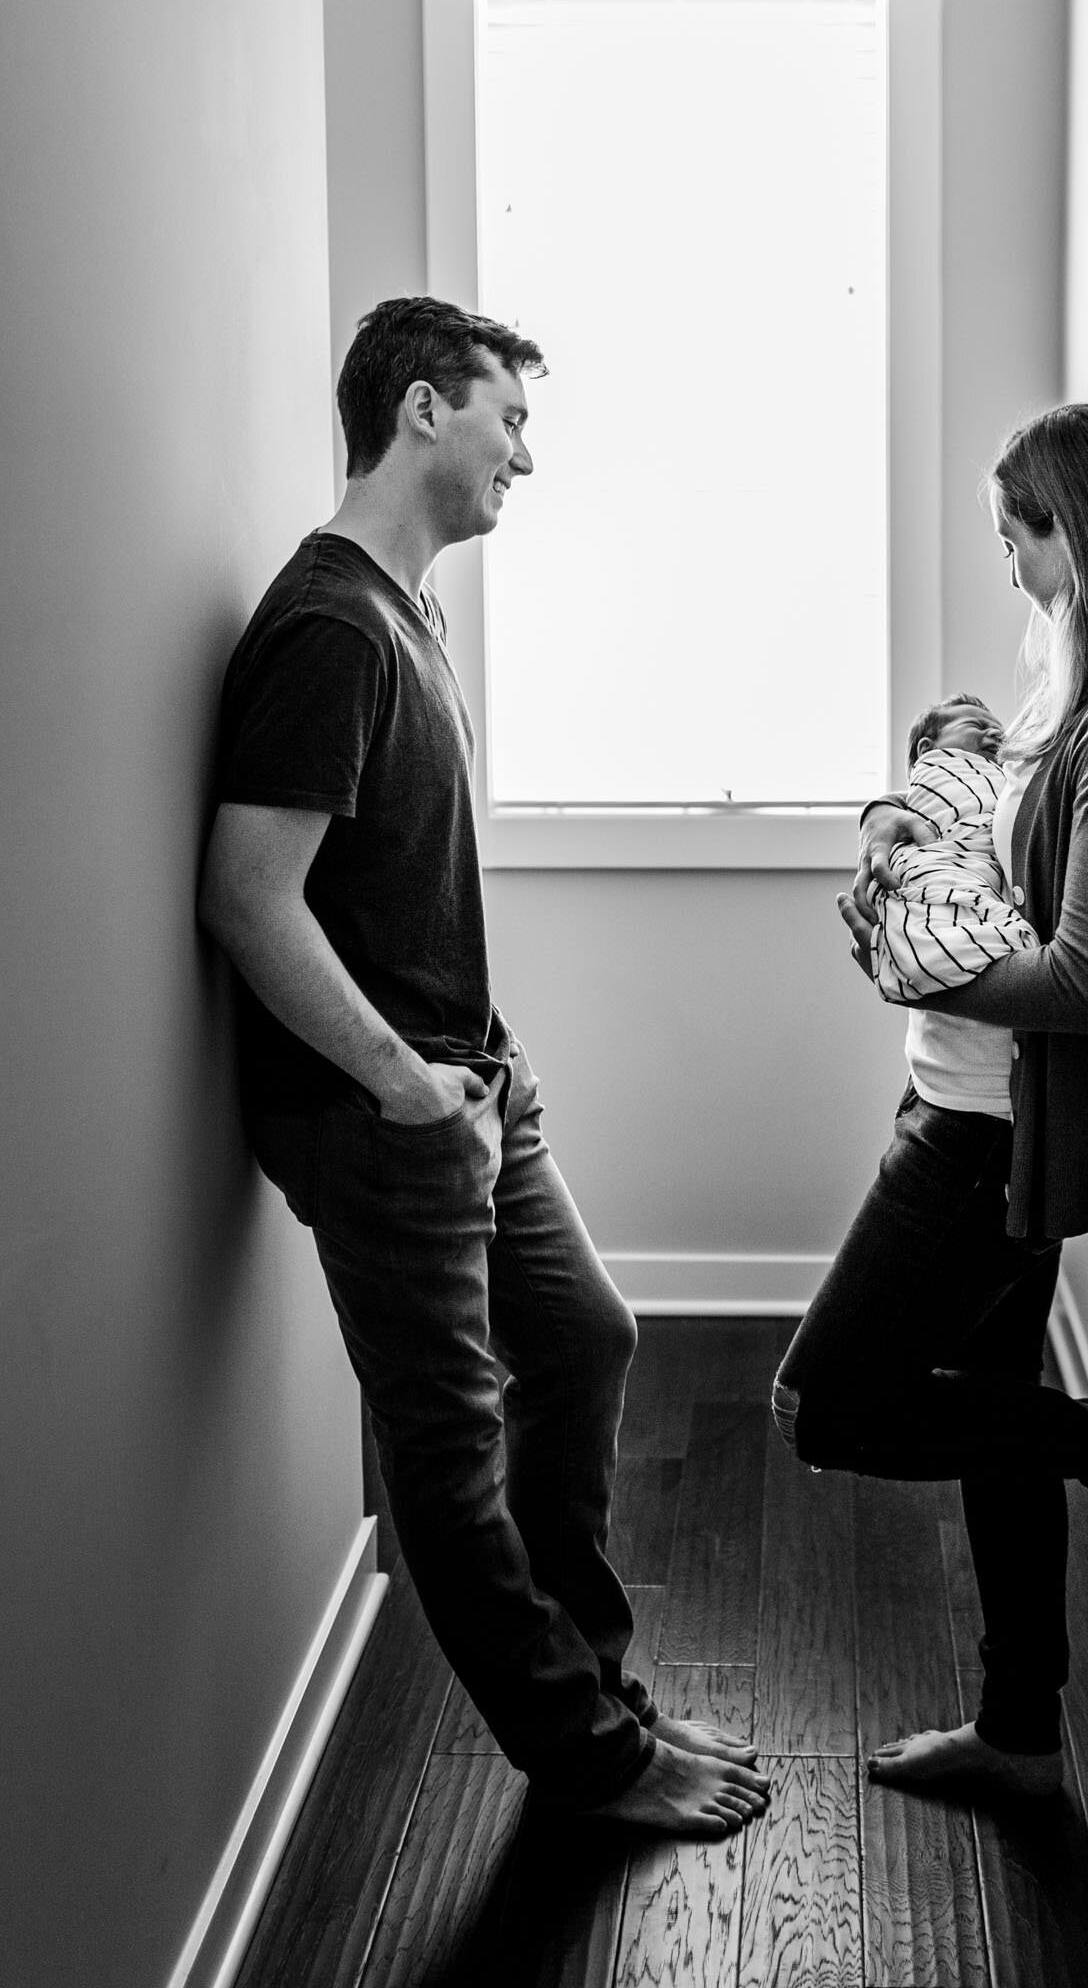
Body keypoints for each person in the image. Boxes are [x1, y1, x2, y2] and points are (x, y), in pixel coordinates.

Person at [198, 296, 769, 1837]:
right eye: (509, 417)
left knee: (584, 1336)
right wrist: (398, 1081)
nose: (528, 451)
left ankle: (600, 1684)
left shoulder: (407, 612)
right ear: (422, 409)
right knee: (445, 1463)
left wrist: (477, 1070)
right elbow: (248, 895)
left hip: (465, 1091)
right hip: (382, 1116)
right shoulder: (327, 625)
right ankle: (588, 1755)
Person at [772, 402, 1088, 1798]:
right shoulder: (1086, 677)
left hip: (986, 1141)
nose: (1012, 573)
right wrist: (896, 829)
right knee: (984, 1399)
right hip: (965, 1110)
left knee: (827, 1405)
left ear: (1078, 531)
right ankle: (1022, 1729)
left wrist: (917, 961)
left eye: (1018, 541)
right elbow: (983, 784)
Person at [869, 693, 1037, 1030]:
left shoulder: (1010, 778)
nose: (995, 735)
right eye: (977, 725)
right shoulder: (940, 770)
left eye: (1000, 730)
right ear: (926, 748)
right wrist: (877, 809)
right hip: (945, 862)